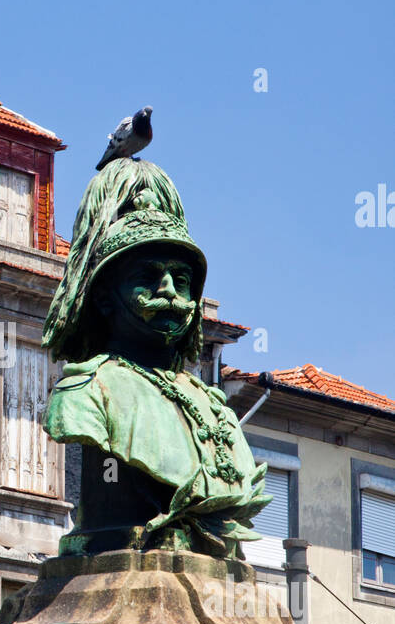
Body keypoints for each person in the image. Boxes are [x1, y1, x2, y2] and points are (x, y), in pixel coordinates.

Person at [42, 155, 269, 557]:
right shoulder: (88, 390)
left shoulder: (214, 406)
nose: (169, 292)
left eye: (181, 281)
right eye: (147, 277)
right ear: (105, 300)